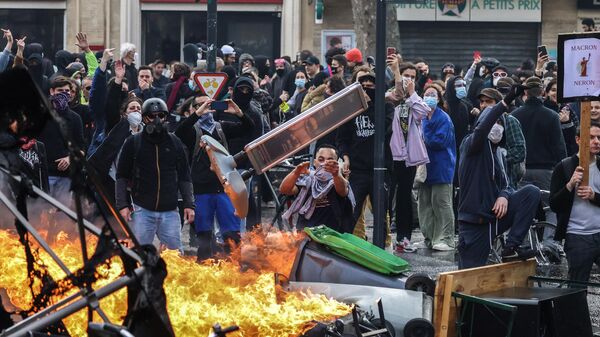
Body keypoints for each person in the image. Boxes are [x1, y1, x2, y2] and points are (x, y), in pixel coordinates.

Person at [457, 84, 540, 269]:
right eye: (493, 123)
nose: (496, 127)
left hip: (494, 217)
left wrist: (503, 195)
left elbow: (507, 184)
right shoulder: (471, 145)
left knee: (531, 192)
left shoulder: (499, 153)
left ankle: (511, 247)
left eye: (500, 124)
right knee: (468, 281)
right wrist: (506, 100)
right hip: (474, 224)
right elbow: (482, 129)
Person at [174, 95, 254, 260]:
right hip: (201, 191)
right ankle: (205, 268)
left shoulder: (220, 127)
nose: (206, 107)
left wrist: (239, 112)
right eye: (201, 103)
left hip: (224, 189)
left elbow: (249, 128)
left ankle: (233, 269)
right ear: (193, 108)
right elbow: (179, 132)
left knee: (232, 234)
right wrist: (196, 114)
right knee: (204, 237)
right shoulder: (192, 131)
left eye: (209, 103)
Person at [116, 98, 194, 250]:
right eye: (152, 116)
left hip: (170, 210)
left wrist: (189, 204)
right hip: (142, 210)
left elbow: (185, 176)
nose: (157, 119)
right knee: (139, 256)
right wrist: (122, 205)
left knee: (174, 257)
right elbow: (121, 176)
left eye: (161, 115)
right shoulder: (133, 142)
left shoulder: (174, 142)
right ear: (144, 118)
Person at [337, 70, 394, 236]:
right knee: (351, 213)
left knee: (381, 216)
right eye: (363, 87)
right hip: (357, 170)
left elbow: (384, 128)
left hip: (381, 170)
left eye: (370, 86)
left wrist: (368, 106)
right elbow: (342, 138)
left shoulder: (386, 107)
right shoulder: (350, 110)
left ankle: (382, 249)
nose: (367, 89)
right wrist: (345, 157)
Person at [385, 58, 429, 252]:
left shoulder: (415, 99)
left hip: (408, 156)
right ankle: (385, 237)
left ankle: (404, 238)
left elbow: (423, 113)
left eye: (412, 76)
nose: (409, 79)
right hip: (390, 155)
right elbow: (396, 94)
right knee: (386, 197)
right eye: (406, 75)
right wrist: (397, 74)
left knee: (404, 197)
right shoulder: (389, 96)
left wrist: (412, 93)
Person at [512, 77, 567, 228]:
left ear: (526, 92)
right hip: (546, 170)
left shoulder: (515, 115)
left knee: (522, 206)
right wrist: (564, 170)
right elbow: (559, 147)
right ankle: (549, 243)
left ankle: (522, 242)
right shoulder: (552, 116)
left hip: (522, 169)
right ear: (542, 92)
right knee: (550, 207)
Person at [550, 122, 600, 283]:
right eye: (591, 137)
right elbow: (554, 205)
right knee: (577, 288)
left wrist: (594, 196)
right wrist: (570, 185)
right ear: (578, 140)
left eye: (599, 137)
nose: (596, 141)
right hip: (577, 236)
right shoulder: (564, 167)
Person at [280, 144, 353, 233]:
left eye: (330, 160)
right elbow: (285, 190)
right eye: (321, 160)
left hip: (333, 234)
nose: (325, 163)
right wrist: (296, 173)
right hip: (307, 234)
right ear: (315, 162)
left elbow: (342, 191)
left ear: (337, 163)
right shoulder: (308, 179)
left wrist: (336, 174)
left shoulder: (339, 179)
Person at [418, 84, 456, 251]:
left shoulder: (443, 118)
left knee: (441, 203)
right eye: (427, 94)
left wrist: (423, 129)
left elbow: (438, 142)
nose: (430, 97)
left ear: (439, 98)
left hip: (441, 166)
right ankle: (429, 238)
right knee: (425, 205)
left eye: (433, 94)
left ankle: (446, 239)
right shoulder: (422, 117)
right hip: (425, 166)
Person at [38, 77, 85, 203]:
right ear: (52, 91)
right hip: (44, 175)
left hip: (66, 177)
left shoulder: (75, 118)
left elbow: (81, 147)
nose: (64, 93)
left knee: (62, 218)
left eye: (67, 91)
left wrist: (70, 158)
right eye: (60, 90)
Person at [478, 88, 526, 189]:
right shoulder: (479, 122)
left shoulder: (509, 121)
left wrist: (499, 158)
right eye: (482, 102)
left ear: (499, 104)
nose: (484, 105)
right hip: (483, 182)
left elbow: (520, 151)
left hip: (505, 182)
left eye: (489, 101)